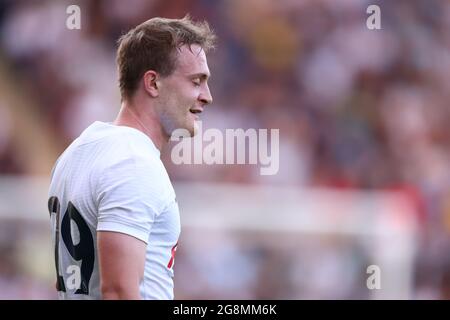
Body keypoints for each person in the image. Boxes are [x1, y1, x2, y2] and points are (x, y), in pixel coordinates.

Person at [47, 15, 216, 300]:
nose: (207, 96)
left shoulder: (77, 152)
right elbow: (118, 291)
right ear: (153, 83)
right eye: (196, 81)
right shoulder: (133, 163)